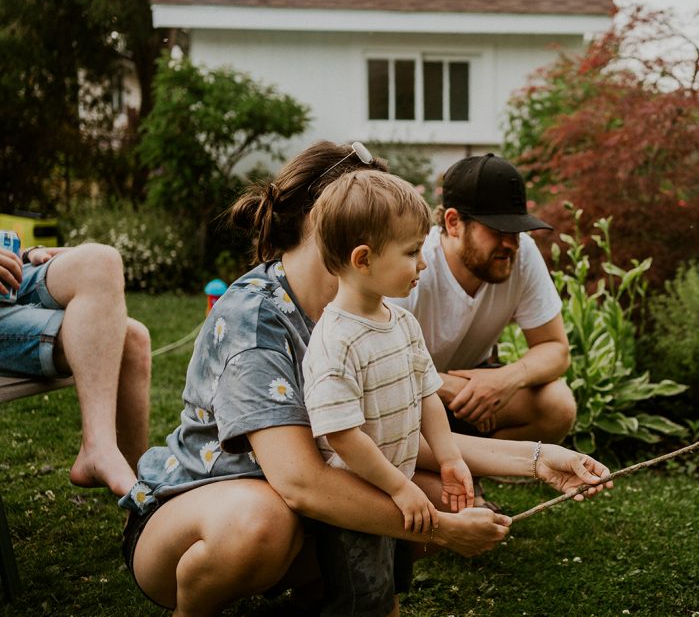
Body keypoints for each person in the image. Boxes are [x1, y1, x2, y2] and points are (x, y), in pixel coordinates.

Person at [118, 141, 611, 617]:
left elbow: (393, 437)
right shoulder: (257, 319)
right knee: (263, 519)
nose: (421, 262)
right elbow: (301, 481)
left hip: (294, 512)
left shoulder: (367, 316)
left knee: (445, 493)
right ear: (336, 226)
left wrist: (542, 459)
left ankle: (317, 593)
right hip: (195, 515)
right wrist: (438, 529)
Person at [303, 170, 474, 589]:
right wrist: (400, 488)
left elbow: (427, 395)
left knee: (388, 588)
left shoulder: (402, 322)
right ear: (363, 259)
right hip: (357, 500)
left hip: (395, 487)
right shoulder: (336, 341)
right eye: (412, 251)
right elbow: (343, 435)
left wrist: (449, 458)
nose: (424, 262)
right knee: (362, 600)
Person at [388, 154, 576, 443]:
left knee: (557, 406)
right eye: (498, 230)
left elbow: (555, 349)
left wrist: (505, 380)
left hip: (473, 394)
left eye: (517, 230)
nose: (511, 244)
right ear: (453, 223)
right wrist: (448, 387)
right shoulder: (415, 264)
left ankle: (474, 464)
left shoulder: (522, 253)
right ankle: (456, 473)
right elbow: (381, 364)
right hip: (406, 399)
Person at [0, 241, 151, 497]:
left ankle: (140, 516)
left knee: (100, 261)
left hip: (10, 277)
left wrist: (25, 253)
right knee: (130, 339)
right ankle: (100, 450)